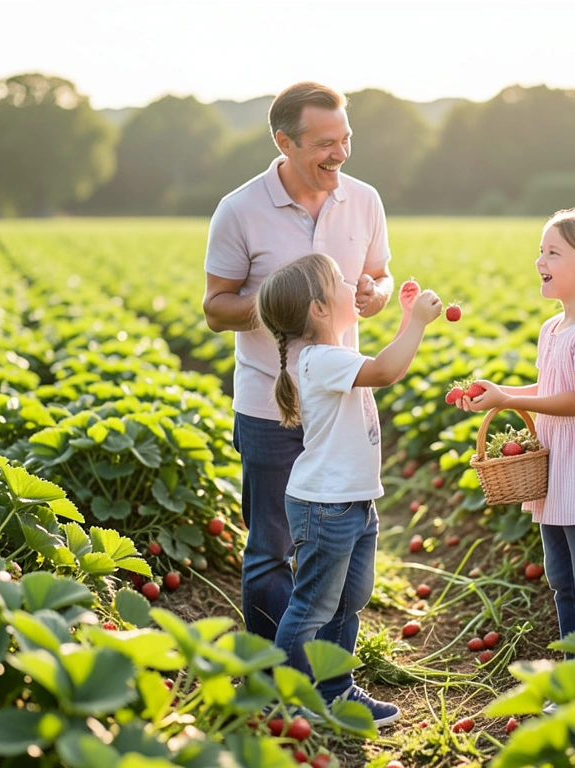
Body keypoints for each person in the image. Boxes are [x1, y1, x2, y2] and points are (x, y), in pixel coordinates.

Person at [202, 82, 393, 641]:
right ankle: (273, 675)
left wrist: (375, 296)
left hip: (340, 407)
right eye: (324, 144)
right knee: (271, 547)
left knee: (343, 548)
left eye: (346, 139)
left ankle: (328, 678)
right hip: (269, 402)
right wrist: (284, 309)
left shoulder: (365, 200)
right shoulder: (239, 209)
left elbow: (378, 274)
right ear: (285, 142)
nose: (340, 153)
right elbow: (216, 308)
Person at [257, 252, 441, 725]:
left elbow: (378, 364)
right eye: (340, 280)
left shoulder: (329, 357)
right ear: (319, 309)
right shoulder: (319, 360)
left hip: (353, 501)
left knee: (348, 600)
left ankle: (337, 690)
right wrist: (418, 324)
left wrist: (403, 318)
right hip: (325, 506)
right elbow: (384, 371)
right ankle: (291, 697)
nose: (351, 284)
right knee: (313, 605)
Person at [460, 206, 575, 649]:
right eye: (542, 251)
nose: (541, 262)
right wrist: (498, 390)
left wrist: (510, 400)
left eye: (553, 253)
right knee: (562, 580)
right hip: (556, 466)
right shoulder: (553, 328)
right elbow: (553, 386)